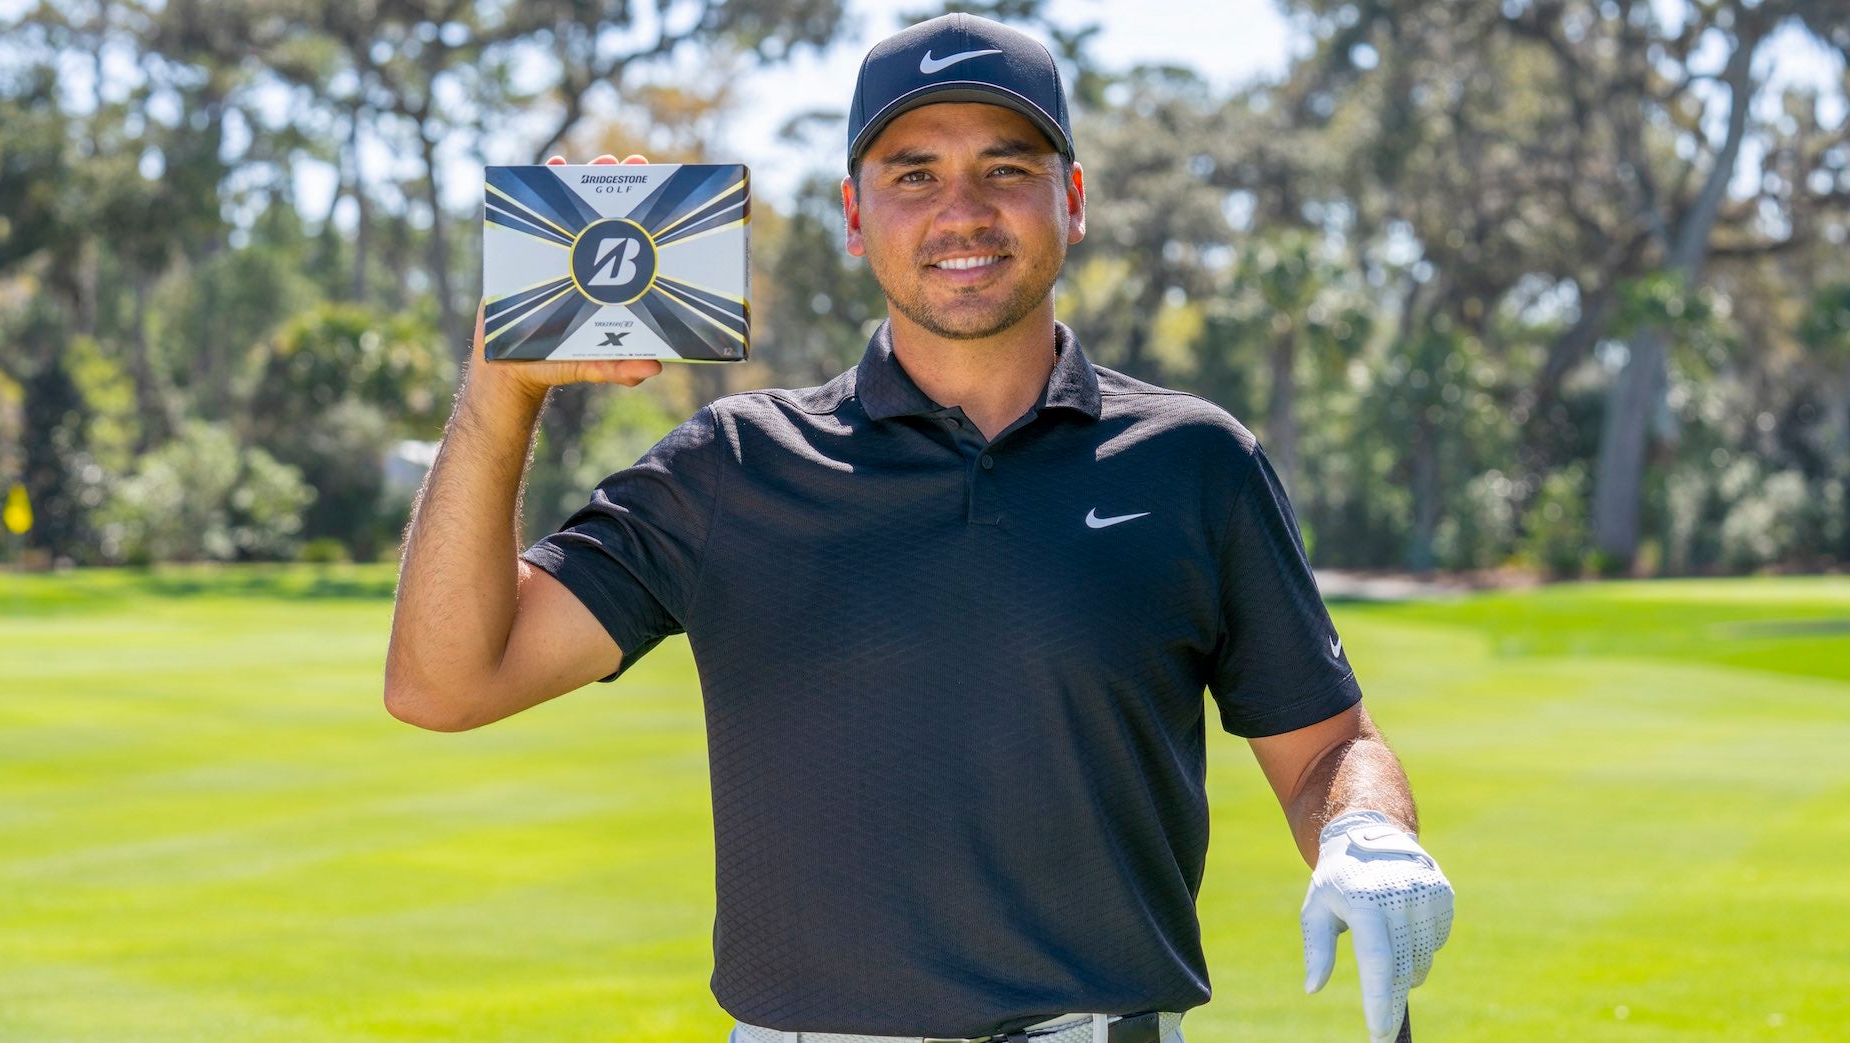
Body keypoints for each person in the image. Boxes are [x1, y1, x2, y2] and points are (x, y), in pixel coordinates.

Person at [384, 12, 1453, 1043]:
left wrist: (1365, 827)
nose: (963, 211)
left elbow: (1328, 744)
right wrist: (502, 388)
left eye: (1006, 167)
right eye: (913, 175)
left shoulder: (1195, 461)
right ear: (855, 217)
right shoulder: (732, 464)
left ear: (1072, 199)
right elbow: (444, 682)